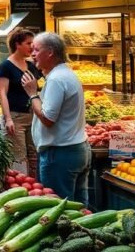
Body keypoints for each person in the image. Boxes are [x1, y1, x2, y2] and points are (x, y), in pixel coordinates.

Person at [22, 32, 90, 205]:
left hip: (60, 154)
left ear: (50, 52)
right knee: (80, 208)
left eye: (36, 49)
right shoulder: (66, 74)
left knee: (60, 208)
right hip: (76, 149)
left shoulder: (57, 79)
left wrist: (32, 94)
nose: (33, 54)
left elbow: (47, 118)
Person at [0, 28, 42, 176]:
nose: (32, 47)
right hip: (15, 118)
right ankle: (19, 189)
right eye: (28, 43)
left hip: (33, 117)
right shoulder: (6, 66)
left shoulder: (31, 66)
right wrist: (8, 118)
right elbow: (2, 93)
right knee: (18, 159)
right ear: (17, 44)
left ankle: (35, 188)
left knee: (34, 156)